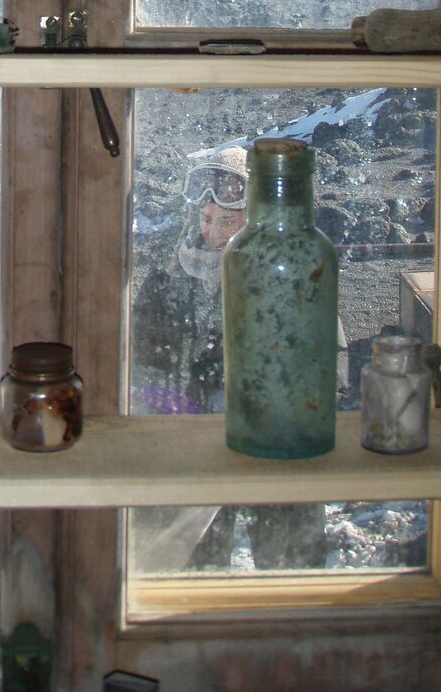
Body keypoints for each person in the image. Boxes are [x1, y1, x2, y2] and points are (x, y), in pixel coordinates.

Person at [132, 141, 348, 573]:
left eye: (227, 221)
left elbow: (329, 365)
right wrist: (170, 403)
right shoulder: (168, 278)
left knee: (288, 555)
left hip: (274, 439)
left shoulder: (290, 271)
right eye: (207, 219)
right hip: (197, 447)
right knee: (198, 558)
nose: (212, 234)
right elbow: (141, 355)